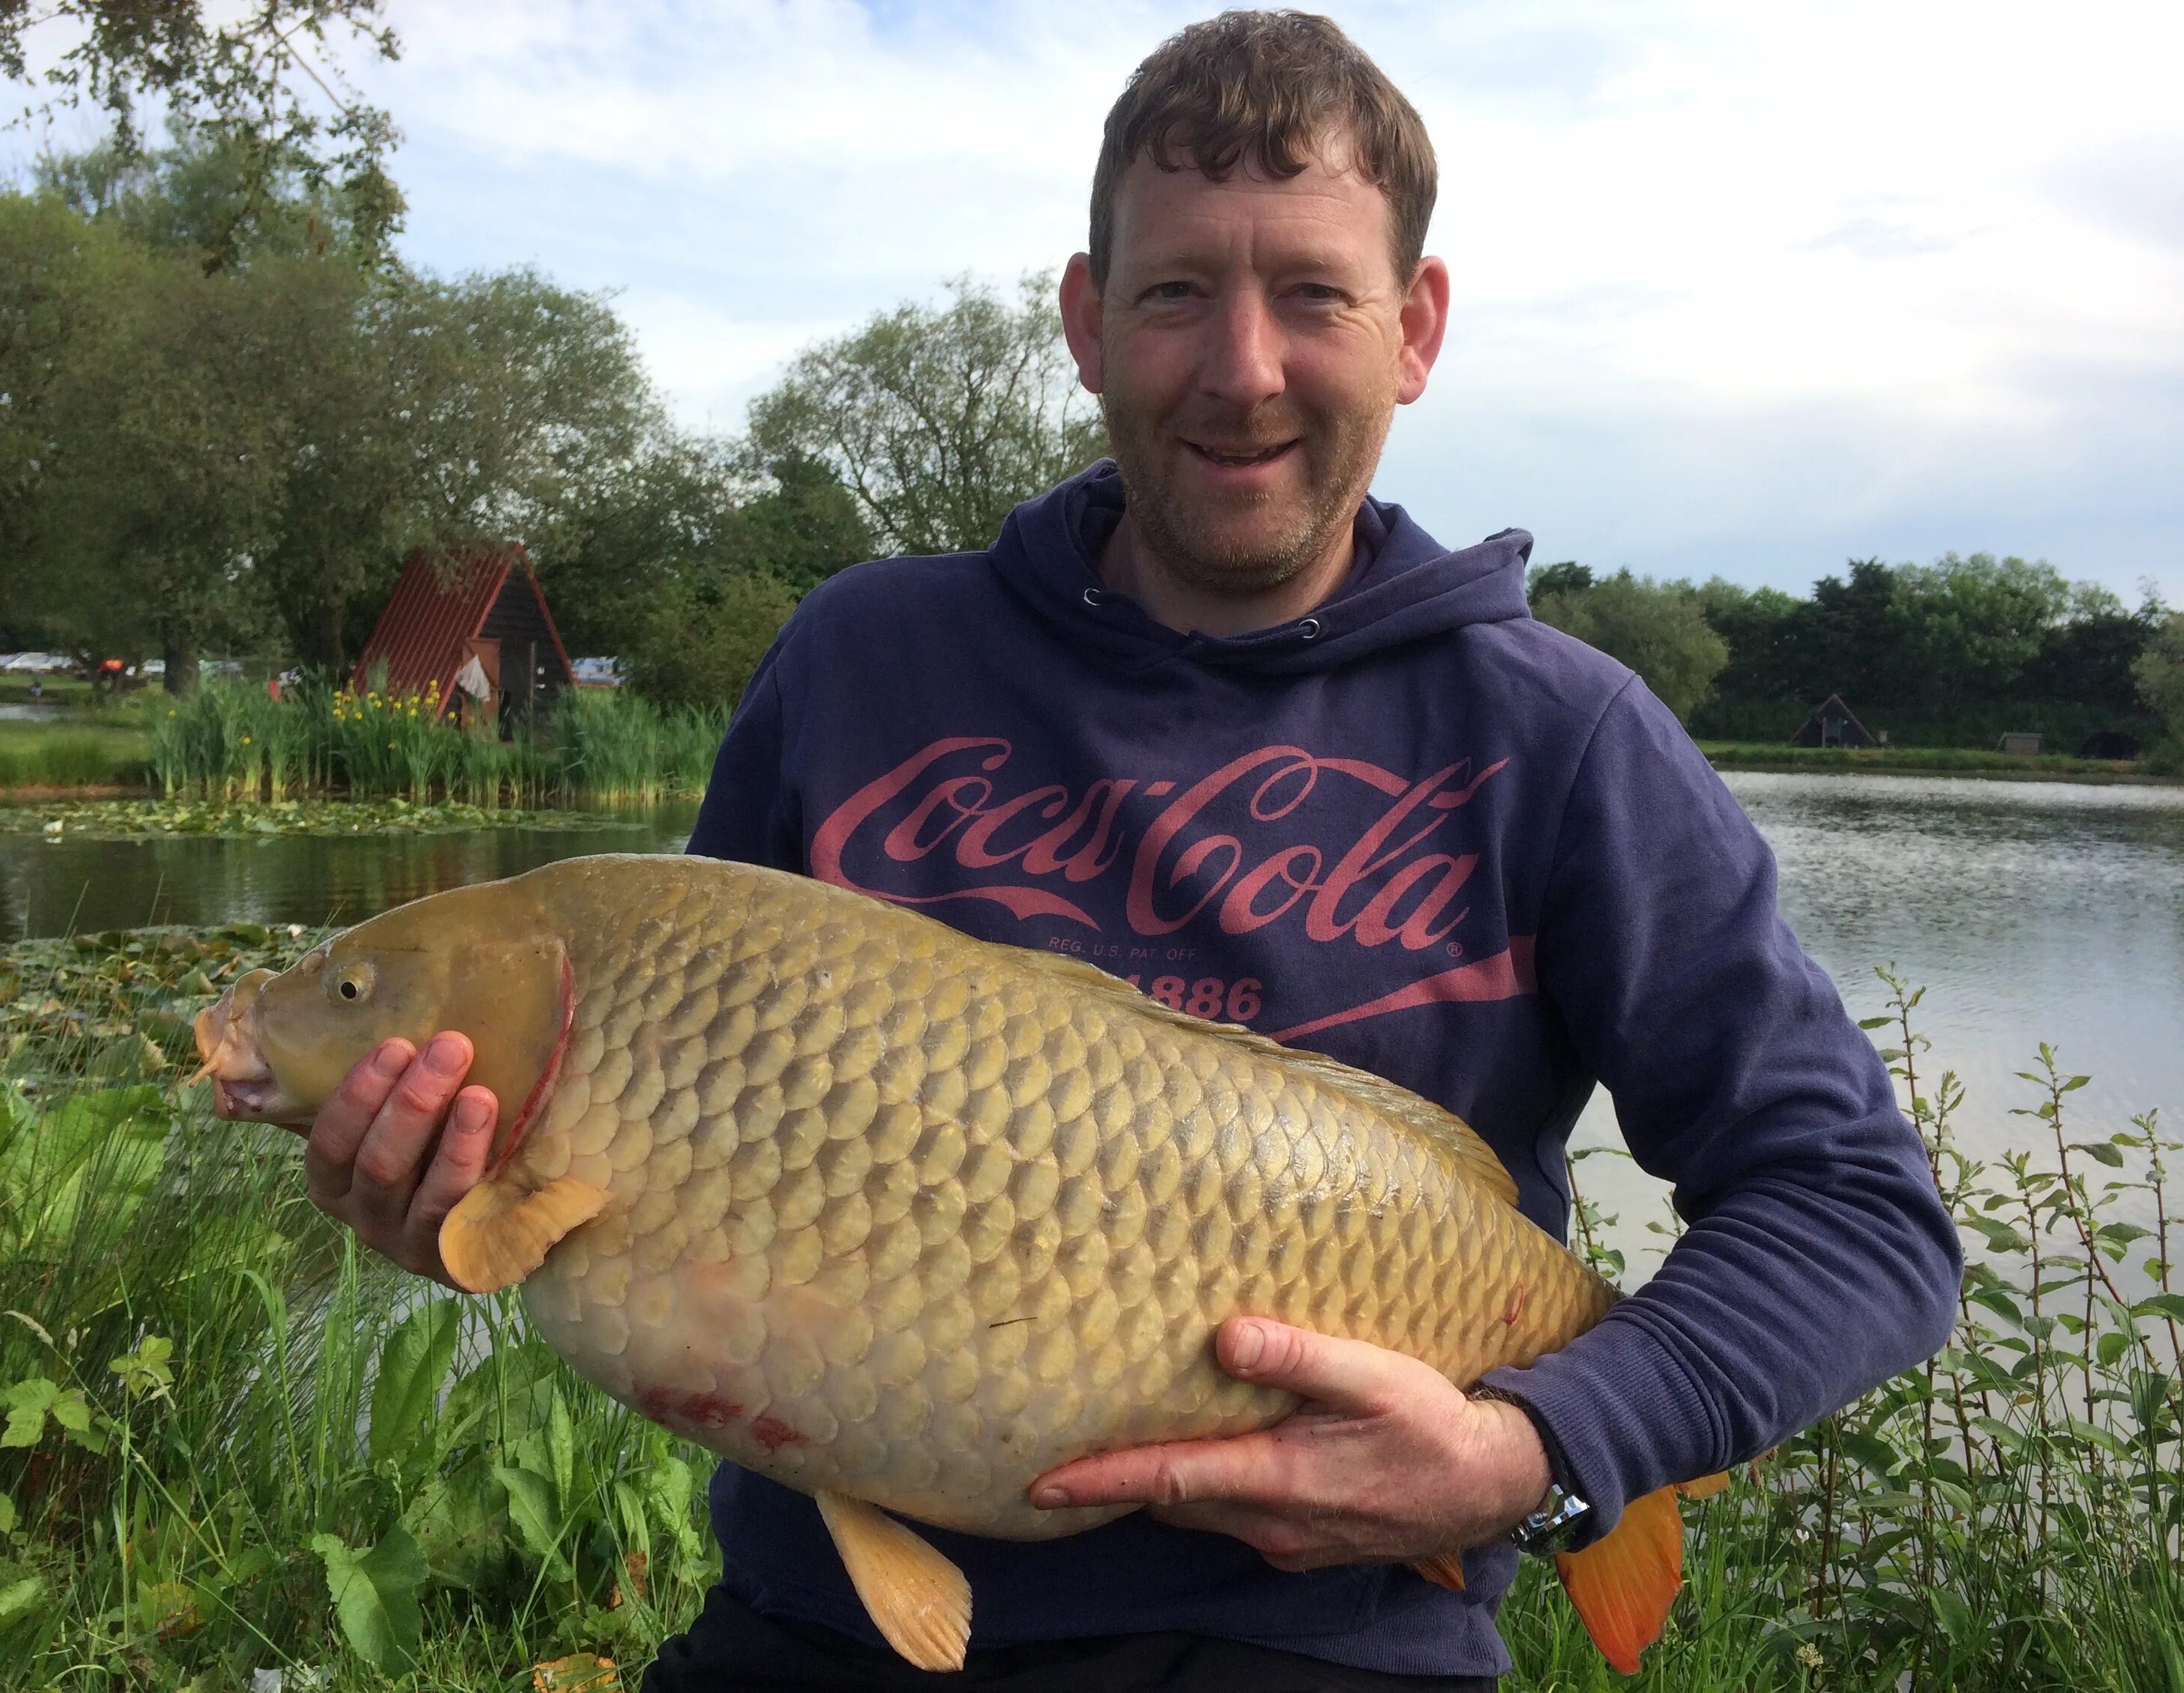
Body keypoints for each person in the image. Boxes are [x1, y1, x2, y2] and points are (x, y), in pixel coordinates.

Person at [299, 12, 1961, 1689]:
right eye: (1176, 293)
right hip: (822, 1636)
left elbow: (1859, 1217)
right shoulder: (862, 660)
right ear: (1089, 323)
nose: (1242, 368)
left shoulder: (1561, 739)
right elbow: (626, 1147)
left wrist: (1543, 1449)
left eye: (1313, 293)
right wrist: (442, 1201)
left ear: (1416, 328)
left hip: (1335, 1656)